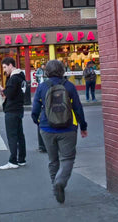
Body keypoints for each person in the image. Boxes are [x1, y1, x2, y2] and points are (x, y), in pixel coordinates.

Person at [31, 60, 88, 204]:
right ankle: (60, 182)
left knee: (53, 159)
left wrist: (39, 123)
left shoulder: (42, 87)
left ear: (47, 72)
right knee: (67, 158)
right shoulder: (69, 86)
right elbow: (78, 108)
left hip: (47, 128)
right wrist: (83, 126)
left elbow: (35, 110)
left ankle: (55, 185)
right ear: (63, 71)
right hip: (68, 128)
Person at [0, 57, 27, 170]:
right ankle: (21, 159)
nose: (4, 70)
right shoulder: (21, 76)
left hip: (12, 109)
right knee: (19, 135)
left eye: (4, 67)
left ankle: (13, 160)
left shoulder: (13, 78)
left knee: (12, 136)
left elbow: (9, 93)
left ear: (10, 65)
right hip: (19, 108)